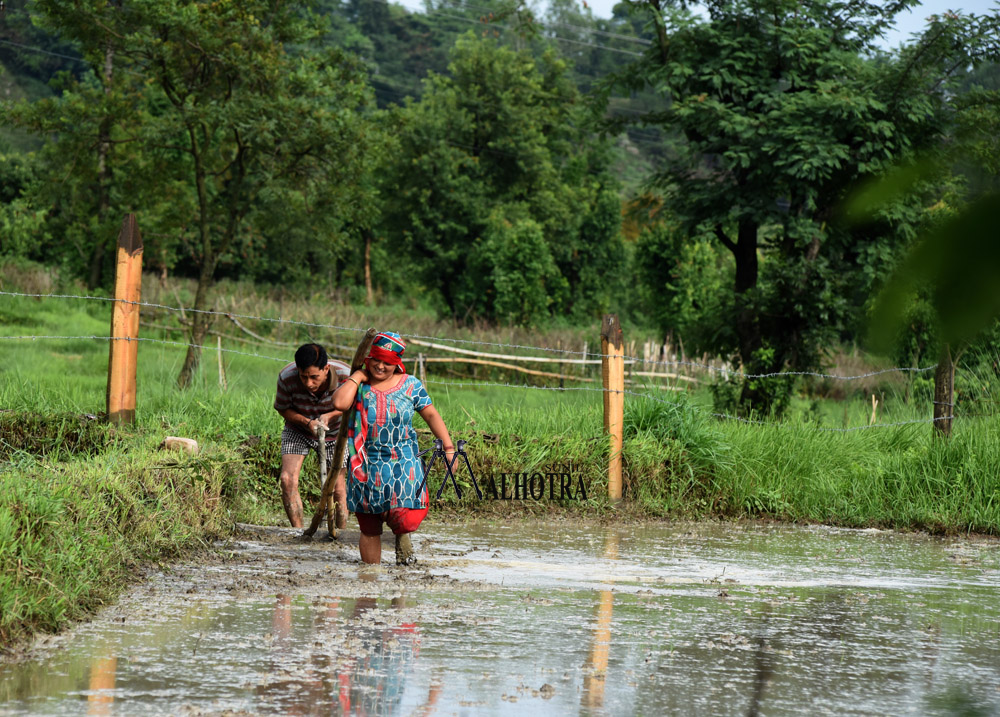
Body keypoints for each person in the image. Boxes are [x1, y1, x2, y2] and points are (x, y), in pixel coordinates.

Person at [332, 331, 455, 565]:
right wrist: (357, 376)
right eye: (376, 359)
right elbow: (339, 403)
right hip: (365, 463)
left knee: (404, 515)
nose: (380, 366)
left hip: (402, 461)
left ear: (397, 362)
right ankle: (370, 580)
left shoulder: (411, 386)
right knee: (369, 526)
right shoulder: (359, 386)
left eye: (387, 362)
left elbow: (430, 414)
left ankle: (402, 538)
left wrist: (448, 448)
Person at [274, 343, 351, 529]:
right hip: (298, 429)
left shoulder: (346, 376)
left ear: (326, 368)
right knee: (287, 479)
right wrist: (307, 422)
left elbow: (356, 405)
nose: (309, 384)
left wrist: (330, 416)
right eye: (304, 377)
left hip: (336, 432)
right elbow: (282, 408)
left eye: (314, 377)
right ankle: (298, 532)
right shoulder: (287, 377)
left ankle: (338, 535)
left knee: (338, 488)